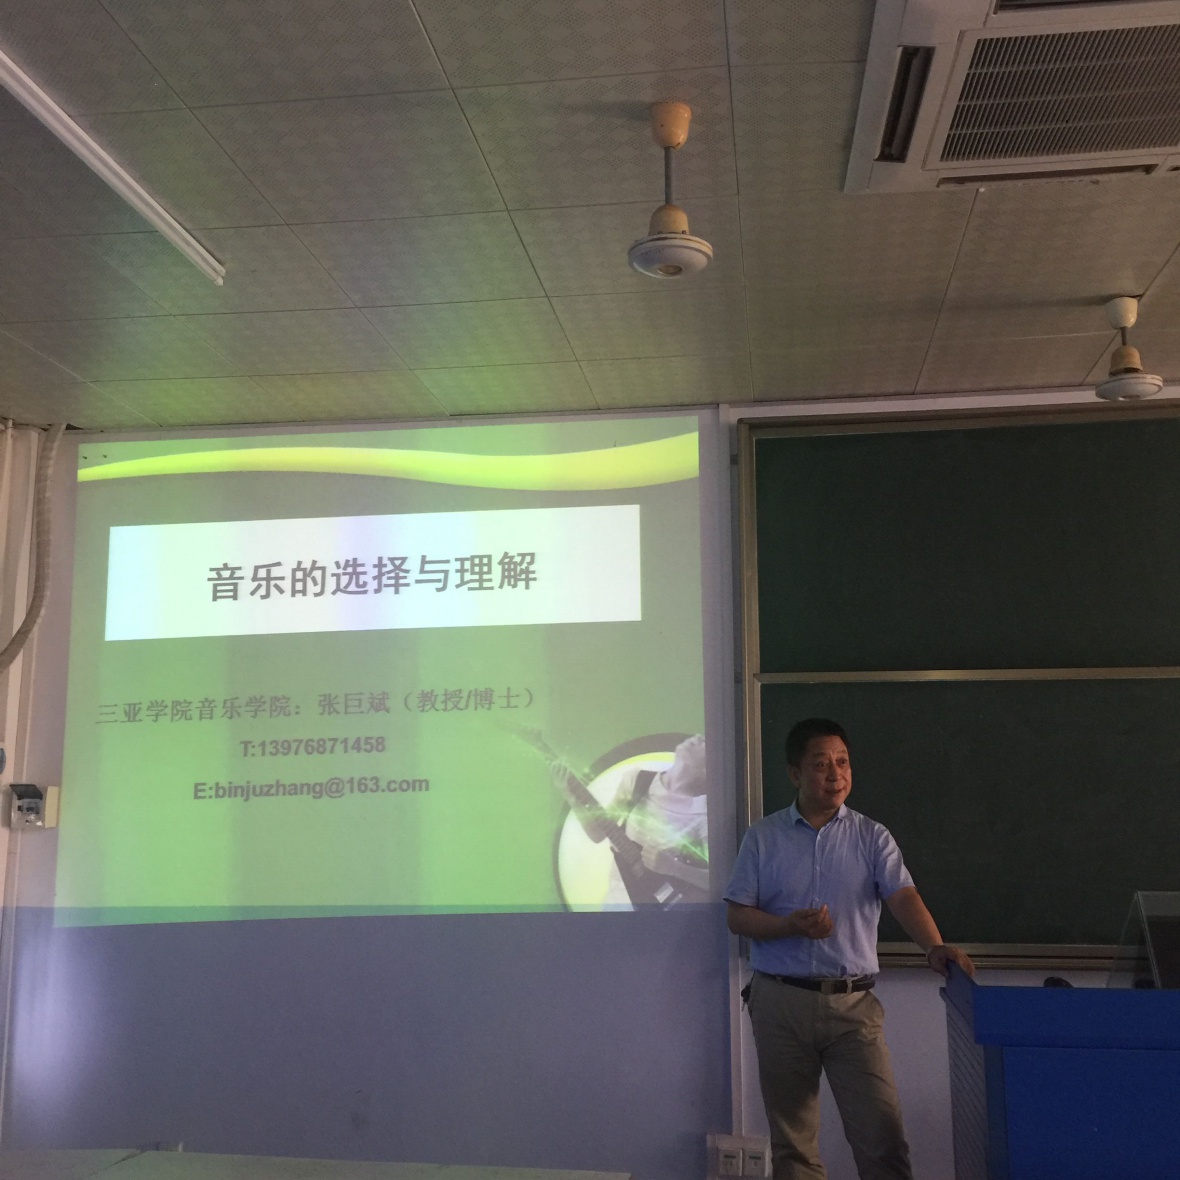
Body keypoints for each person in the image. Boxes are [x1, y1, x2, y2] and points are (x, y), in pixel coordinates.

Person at [724, 718, 974, 1180]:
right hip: (780, 1003)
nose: (835, 774)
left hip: (853, 1007)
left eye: (842, 762)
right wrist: (787, 926)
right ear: (795, 773)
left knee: (883, 1142)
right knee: (794, 1148)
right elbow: (738, 916)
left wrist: (934, 946)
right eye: (821, 764)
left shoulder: (872, 836)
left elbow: (903, 896)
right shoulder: (762, 837)